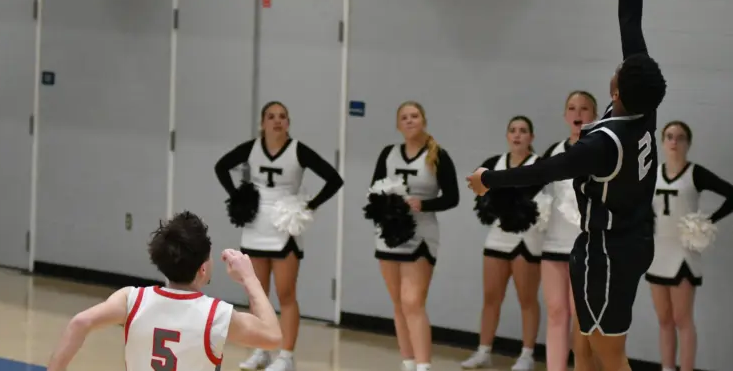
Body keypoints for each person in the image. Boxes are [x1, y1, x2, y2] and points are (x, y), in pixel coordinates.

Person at [467, 0, 667, 371]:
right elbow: (630, 17)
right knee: (583, 341)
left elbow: (542, 171)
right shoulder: (645, 109)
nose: (619, 64)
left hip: (609, 249)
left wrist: (489, 179)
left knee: (608, 352)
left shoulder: (603, 144)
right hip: (628, 239)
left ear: (616, 90)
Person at [45, 211, 282, 371]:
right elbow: (272, 337)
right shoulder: (216, 315)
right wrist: (249, 278)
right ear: (202, 269)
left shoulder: (132, 299)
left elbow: (80, 322)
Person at [214, 101, 344, 371]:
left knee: (286, 295)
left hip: (285, 228)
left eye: (282, 116)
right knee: (257, 294)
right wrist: (237, 196)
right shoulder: (251, 148)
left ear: (288, 123)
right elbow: (221, 166)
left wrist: (309, 205)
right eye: (271, 116)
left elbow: (334, 179)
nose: (277, 121)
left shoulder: (298, 150)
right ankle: (261, 349)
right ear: (262, 123)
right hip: (255, 226)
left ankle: (286, 356)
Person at [648, 120, 733, 371]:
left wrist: (707, 221)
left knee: (682, 319)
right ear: (662, 142)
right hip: (657, 252)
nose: (674, 142)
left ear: (688, 143)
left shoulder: (695, 173)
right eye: (669, 136)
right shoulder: (651, 174)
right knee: (664, 319)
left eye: (680, 137)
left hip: (683, 253)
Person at [372, 101, 460, 371]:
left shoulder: (438, 155)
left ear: (423, 121)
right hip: (389, 234)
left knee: (413, 301)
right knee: (398, 303)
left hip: (422, 233)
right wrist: (387, 205)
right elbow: (374, 190)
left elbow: (453, 197)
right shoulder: (388, 153)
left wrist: (424, 204)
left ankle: (424, 366)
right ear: (398, 125)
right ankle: (408, 363)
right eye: (404, 117)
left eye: (414, 116)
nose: (410, 120)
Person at [462, 115, 543, 371]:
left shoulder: (539, 165)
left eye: (523, 130)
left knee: (526, 299)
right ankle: (483, 351)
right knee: (491, 297)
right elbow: (477, 188)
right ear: (507, 135)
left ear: (531, 137)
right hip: (498, 236)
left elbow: (537, 199)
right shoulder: (492, 164)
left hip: (527, 238)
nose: (517, 135)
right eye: (513, 130)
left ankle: (527, 355)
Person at [539, 90, 599, 371]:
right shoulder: (554, 151)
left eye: (584, 108)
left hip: (586, 248)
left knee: (581, 318)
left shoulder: (604, 152)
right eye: (572, 108)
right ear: (565, 116)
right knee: (555, 312)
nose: (578, 114)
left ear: (595, 116)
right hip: (553, 245)